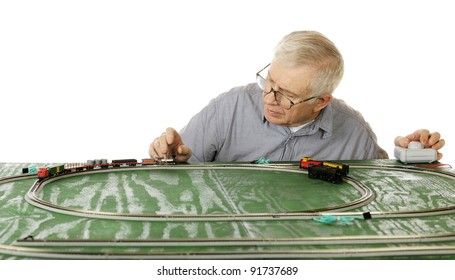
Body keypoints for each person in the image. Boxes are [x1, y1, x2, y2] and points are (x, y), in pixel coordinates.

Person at [149, 31, 445, 163]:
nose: (269, 98)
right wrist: (172, 159)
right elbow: (178, 174)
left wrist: (411, 156)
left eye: (288, 96)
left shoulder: (353, 132)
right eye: (269, 81)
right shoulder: (230, 108)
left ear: (322, 101)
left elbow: (385, 189)